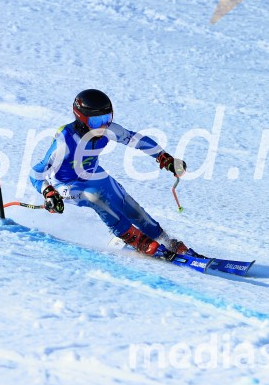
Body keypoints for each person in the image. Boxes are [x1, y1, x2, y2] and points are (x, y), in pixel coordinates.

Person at [30, 89, 203, 260]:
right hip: (65, 184)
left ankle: (164, 241)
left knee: (128, 205)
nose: (104, 125)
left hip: (92, 174)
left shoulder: (108, 130)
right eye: (98, 121)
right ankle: (135, 240)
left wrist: (164, 157)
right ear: (82, 119)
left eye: (107, 118)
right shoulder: (65, 141)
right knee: (94, 197)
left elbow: (135, 139)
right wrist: (49, 192)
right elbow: (36, 173)